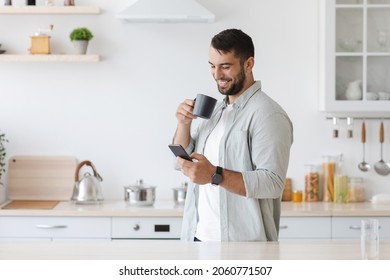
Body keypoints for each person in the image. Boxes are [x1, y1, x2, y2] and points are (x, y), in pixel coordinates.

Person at [172, 28, 293, 242]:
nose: (217, 75)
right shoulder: (217, 111)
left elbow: (272, 183)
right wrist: (184, 124)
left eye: (225, 66)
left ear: (249, 64)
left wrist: (213, 175)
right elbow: (181, 162)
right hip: (198, 238)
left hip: (243, 248)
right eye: (212, 66)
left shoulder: (268, 114)